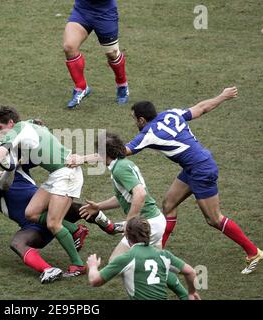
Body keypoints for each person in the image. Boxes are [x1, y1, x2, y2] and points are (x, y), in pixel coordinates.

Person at [123, 86, 262, 274]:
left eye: (135, 120)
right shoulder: (171, 114)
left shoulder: (148, 133)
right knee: (169, 204)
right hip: (194, 166)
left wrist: (93, 153)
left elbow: (124, 152)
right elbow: (201, 108)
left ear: (141, 119)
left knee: (214, 219)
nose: (135, 123)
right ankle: (158, 253)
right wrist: (222, 96)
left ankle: (253, 252)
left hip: (201, 170)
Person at [78, 132, 189, 299]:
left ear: (105, 154)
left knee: (117, 261)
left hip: (148, 223)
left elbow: (140, 194)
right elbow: (125, 196)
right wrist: (99, 206)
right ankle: (181, 293)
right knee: (158, 264)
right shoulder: (123, 164)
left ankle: (143, 291)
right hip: (155, 221)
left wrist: (130, 222)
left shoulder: (119, 169)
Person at [0, 163, 123, 283]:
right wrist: (10, 166)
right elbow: (3, 186)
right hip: (33, 228)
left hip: (53, 210)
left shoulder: (19, 170)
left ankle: (110, 227)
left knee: (82, 207)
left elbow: (33, 157)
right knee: (17, 243)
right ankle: (49, 269)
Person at [0, 106, 86, 277]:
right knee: (31, 213)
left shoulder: (14, 132)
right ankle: (75, 230)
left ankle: (78, 264)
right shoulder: (27, 124)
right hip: (57, 174)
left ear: (10, 123)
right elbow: (37, 123)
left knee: (53, 224)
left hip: (67, 174)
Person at [87, 216, 201, 300]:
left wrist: (93, 266)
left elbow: (95, 281)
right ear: (148, 234)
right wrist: (191, 293)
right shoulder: (164, 255)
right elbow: (190, 272)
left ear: (126, 236)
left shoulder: (126, 258)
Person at [64, 0, 129, 108]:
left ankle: (122, 84)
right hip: (82, 11)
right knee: (69, 47)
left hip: (105, 13)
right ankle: (81, 87)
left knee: (112, 54)